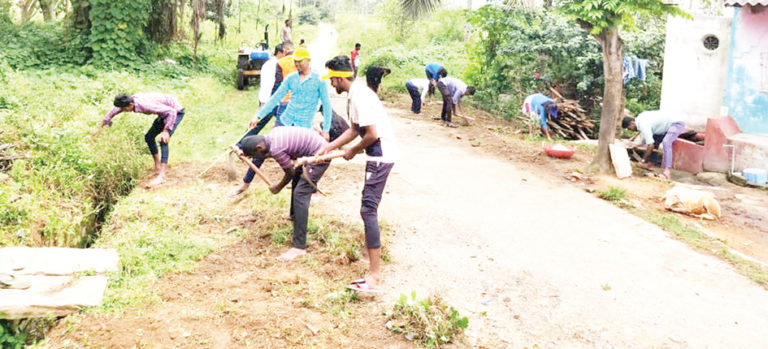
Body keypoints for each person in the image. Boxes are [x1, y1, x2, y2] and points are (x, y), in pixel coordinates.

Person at [318, 55, 398, 293]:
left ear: (342, 77)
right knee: (368, 208)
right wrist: (330, 147)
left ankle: (374, 277)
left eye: (333, 80)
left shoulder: (360, 96)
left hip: (381, 155)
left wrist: (352, 151)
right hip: (376, 153)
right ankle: (372, 259)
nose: (332, 85)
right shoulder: (355, 95)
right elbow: (354, 129)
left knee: (368, 209)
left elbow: (371, 134)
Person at [234, 46, 333, 195]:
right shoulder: (291, 78)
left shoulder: (319, 80)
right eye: (295, 62)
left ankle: (300, 195)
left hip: (303, 125)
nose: (297, 65)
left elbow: (327, 105)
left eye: (300, 62)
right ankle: (246, 183)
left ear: (308, 61)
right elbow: (275, 98)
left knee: (300, 164)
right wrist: (258, 116)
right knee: (263, 148)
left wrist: (325, 129)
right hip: (285, 120)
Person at [236, 127, 330, 262]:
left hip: (320, 155)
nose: (260, 158)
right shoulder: (272, 135)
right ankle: (294, 216)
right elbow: (292, 170)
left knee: (300, 194)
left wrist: (278, 187)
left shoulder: (276, 149)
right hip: (310, 152)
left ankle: (299, 246)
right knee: (297, 183)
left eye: (256, 156)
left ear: (259, 148)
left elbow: (289, 173)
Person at [99, 93, 184, 187]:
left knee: (163, 140)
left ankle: (161, 176)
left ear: (130, 105)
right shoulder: (129, 102)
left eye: (124, 109)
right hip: (164, 113)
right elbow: (113, 112)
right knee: (149, 137)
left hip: (175, 112)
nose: (123, 111)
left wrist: (166, 130)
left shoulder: (145, 105)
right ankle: (157, 165)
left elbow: (171, 111)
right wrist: (98, 129)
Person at [622, 111, 687, 179]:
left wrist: (642, 160)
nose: (631, 130)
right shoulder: (640, 119)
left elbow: (650, 145)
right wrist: (641, 144)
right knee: (654, 140)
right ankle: (650, 164)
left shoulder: (643, 124)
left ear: (632, 123)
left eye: (629, 128)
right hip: (665, 126)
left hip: (676, 123)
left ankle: (667, 170)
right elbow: (648, 136)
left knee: (666, 142)